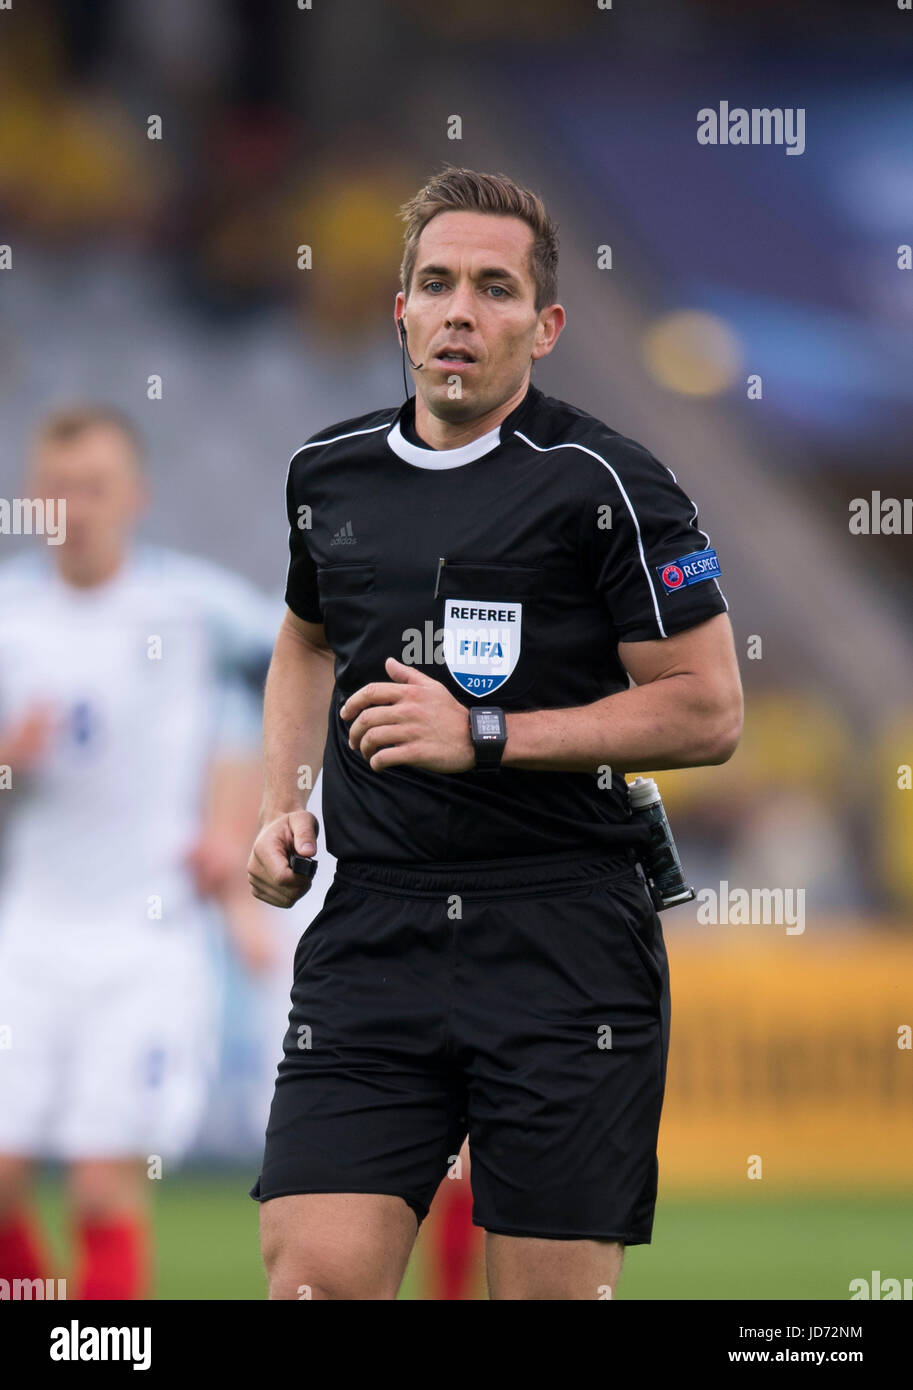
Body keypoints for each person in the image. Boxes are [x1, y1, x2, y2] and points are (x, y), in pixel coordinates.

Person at [247, 166, 743, 1301]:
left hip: (563, 935)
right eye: (436, 283)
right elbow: (302, 637)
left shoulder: (611, 483)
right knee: (308, 1287)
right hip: (373, 927)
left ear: (545, 323)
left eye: (492, 287)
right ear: (401, 310)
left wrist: (484, 730)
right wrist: (284, 804)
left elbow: (709, 708)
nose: (459, 310)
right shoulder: (325, 472)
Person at [0, 406, 276, 1299]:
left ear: (136, 496)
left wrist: (233, 827)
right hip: (29, 933)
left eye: (95, 488)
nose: (74, 508)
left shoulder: (198, 611)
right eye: (57, 490)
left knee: (98, 1182)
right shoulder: (8, 614)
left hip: (145, 941)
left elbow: (293, 682)